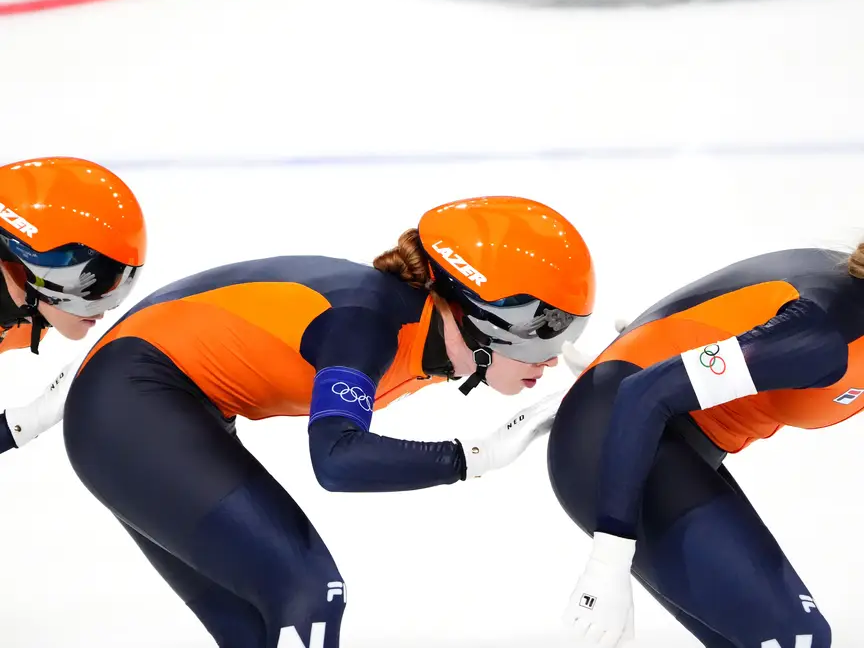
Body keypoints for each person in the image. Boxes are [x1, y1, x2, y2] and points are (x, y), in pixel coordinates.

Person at [62, 194, 596, 648]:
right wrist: (475, 456)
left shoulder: (425, 326)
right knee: (310, 593)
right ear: (482, 317)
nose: (553, 356)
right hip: (129, 404)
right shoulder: (367, 323)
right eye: (545, 332)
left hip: (146, 408)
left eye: (569, 332)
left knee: (258, 629)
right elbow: (337, 459)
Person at [547, 245, 864, 648]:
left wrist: (652, 344)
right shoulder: (823, 334)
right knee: (797, 637)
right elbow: (645, 391)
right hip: (615, 433)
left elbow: (723, 301)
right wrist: (607, 564)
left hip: (679, 438)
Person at [0, 156, 146, 451]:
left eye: (117, 282)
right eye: (84, 286)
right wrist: (30, 420)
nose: (103, 311)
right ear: (16, 267)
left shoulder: (31, 311)